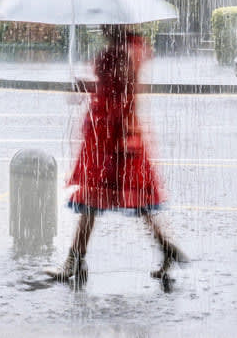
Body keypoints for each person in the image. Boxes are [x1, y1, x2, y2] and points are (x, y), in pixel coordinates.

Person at [46, 25, 188, 289]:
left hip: (112, 138)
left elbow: (121, 95)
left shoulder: (122, 53)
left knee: (91, 200)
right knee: (136, 202)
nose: (100, 27)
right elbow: (114, 89)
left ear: (116, 24)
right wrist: (89, 86)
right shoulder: (127, 49)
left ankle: (74, 261)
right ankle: (166, 247)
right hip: (115, 136)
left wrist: (115, 133)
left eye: (105, 23)